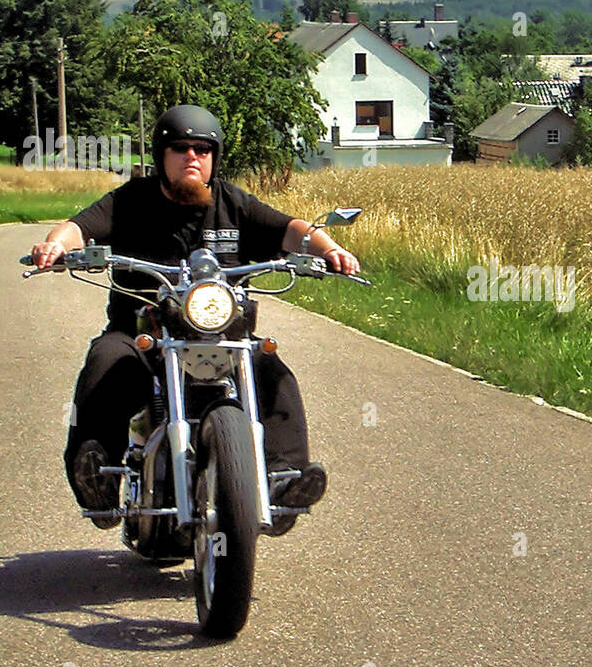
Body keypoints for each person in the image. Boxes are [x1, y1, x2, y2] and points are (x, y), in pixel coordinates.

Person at [30, 104, 360, 536]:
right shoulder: (130, 202)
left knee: (272, 371)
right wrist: (56, 245)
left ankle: (284, 481)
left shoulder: (232, 203)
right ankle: (99, 475)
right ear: (161, 155)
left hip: (224, 336)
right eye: (181, 148)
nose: (192, 157)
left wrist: (328, 249)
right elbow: (79, 227)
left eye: (202, 150)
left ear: (214, 158)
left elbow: (289, 229)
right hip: (143, 334)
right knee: (107, 359)